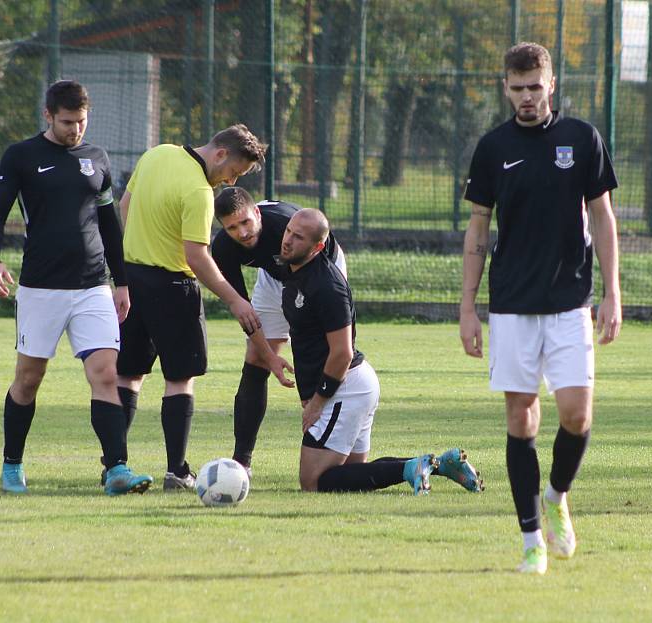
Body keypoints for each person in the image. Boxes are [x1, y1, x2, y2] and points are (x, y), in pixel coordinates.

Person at [460, 42, 621, 574]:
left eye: (535, 86)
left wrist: (613, 293)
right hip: (511, 306)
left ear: (551, 84)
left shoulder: (582, 139)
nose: (527, 97)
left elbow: (602, 219)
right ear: (505, 87)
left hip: (570, 302)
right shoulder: (492, 147)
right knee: (521, 419)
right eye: (517, 87)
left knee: (577, 415)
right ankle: (531, 538)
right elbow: (478, 228)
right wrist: (468, 305)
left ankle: (556, 497)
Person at [0, 79, 153, 496]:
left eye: (81, 121)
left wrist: (122, 281)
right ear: (48, 115)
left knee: (106, 374)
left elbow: (110, 224)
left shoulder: (97, 158)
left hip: (93, 285)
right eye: (66, 122)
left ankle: (116, 470)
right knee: (29, 378)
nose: (75, 129)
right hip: (41, 288)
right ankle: (12, 465)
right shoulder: (22, 156)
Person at [280, 209, 484, 495]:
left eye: (298, 237)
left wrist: (316, 403)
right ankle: (439, 464)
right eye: (288, 231)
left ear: (316, 247)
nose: (287, 240)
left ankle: (412, 467)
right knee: (349, 477)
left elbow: (342, 352)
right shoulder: (293, 270)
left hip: (345, 386)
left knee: (314, 482)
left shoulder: (327, 284)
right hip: (352, 386)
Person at [115, 125, 270, 492]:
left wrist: (133, 256)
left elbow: (124, 205)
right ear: (219, 154)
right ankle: (176, 471)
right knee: (180, 379)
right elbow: (196, 257)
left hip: (133, 280)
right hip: (173, 288)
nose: (230, 181)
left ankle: (115, 465)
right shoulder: (200, 191)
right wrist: (234, 298)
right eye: (233, 172)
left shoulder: (156, 154)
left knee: (128, 375)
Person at [211, 187, 346, 477]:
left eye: (246, 222)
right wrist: (270, 357)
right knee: (256, 358)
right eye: (232, 227)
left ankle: (332, 445)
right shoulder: (223, 247)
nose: (242, 232)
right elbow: (244, 311)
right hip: (275, 277)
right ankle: (241, 463)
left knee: (324, 354)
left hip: (319, 266)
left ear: (257, 213)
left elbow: (316, 256)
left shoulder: (284, 225)